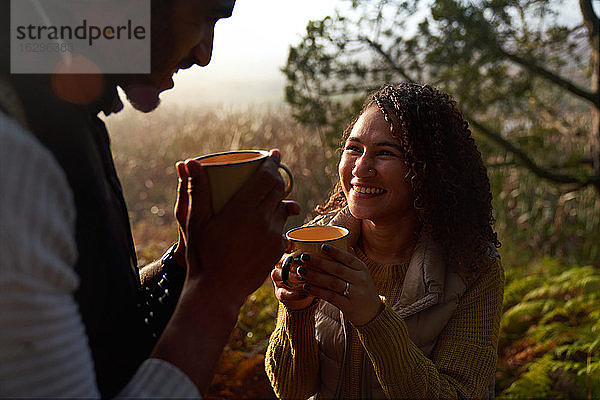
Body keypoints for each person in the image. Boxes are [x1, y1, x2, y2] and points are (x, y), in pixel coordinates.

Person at [0, 0, 299, 397]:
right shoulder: (14, 154)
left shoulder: (56, 113)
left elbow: (101, 332)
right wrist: (217, 290)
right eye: (206, 16)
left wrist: (185, 264)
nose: (204, 55)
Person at [265, 83, 504, 399]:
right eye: (354, 148)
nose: (361, 169)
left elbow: (456, 393)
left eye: (386, 153)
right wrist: (296, 311)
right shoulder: (316, 242)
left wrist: (373, 318)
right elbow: (292, 390)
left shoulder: (472, 268)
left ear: (427, 169)